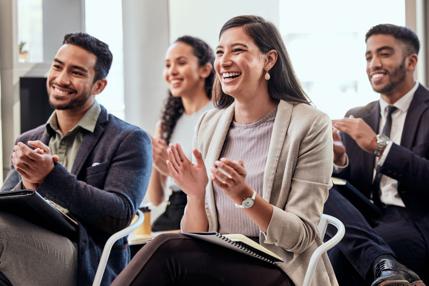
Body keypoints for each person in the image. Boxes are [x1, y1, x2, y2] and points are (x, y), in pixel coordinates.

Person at [113, 15, 337, 286]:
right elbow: (195, 233)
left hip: (281, 266)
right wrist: (195, 195)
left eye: (238, 50)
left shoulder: (310, 124)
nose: (224, 60)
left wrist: (245, 196)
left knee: (166, 249)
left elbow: (300, 237)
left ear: (269, 60)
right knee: (167, 248)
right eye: (220, 52)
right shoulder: (211, 123)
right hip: (218, 257)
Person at [0, 33, 152, 286]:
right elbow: (6, 205)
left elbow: (120, 214)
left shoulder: (128, 139)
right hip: (26, 248)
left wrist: (49, 177)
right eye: (57, 67)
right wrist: (28, 184)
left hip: (86, 258)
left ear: (98, 86)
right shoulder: (28, 140)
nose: (61, 79)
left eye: (77, 72)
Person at [325, 24, 428, 286]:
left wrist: (379, 145)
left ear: (411, 61)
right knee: (321, 186)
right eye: (369, 56)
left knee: (341, 259)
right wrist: (339, 161)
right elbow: (351, 185)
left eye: (384, 54)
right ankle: (384, 264)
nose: (374, 64)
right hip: (364, 217)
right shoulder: (359, 115)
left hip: (413, 218)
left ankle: (385, 264)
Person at [148, 35, 214, 232]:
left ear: (205, 69)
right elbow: (156, 198)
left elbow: (213, 185)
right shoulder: (165, 125)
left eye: (181, 63)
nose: (172, 71)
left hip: (205, 208)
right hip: (174, 208)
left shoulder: (217, 116)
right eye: (167, 65)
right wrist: (157, 163)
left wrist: (171, 170)